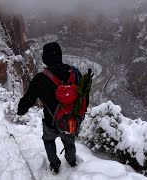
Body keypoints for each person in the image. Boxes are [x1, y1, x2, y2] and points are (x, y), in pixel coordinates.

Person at [17, 42, 88, 174]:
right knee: (69, 141)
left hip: (51, 122)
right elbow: (84, 95)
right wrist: (80, 115)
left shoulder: (41, 78)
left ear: (45, 58)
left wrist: (21, 110)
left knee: (48, 140)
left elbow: (29, 98)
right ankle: (72, 160)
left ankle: (55, 165)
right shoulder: (75, 73)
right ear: (60, 55)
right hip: (71, 120)